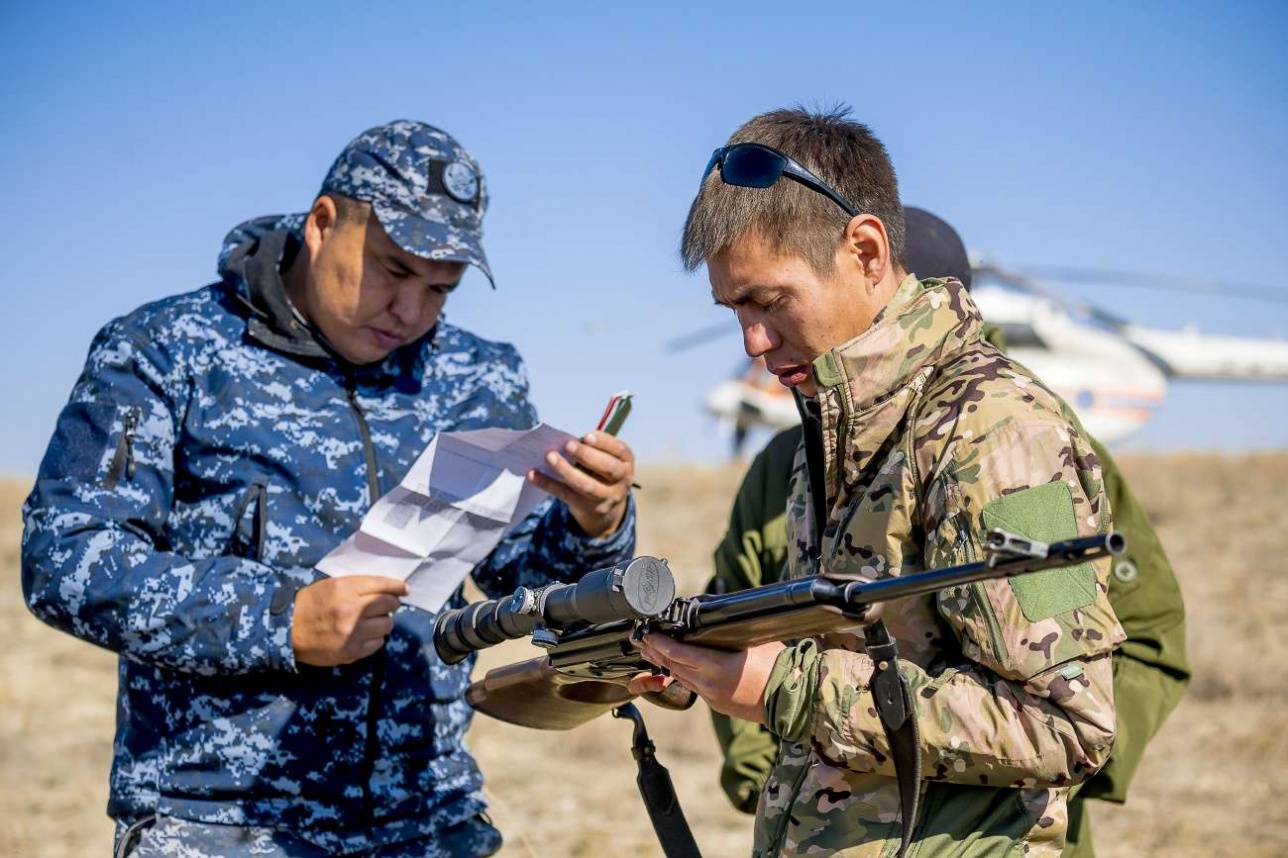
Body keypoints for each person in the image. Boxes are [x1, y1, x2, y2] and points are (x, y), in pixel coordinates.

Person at [22, 120, 637, 858]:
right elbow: (64, 559)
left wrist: (594, 523)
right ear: (322, 224)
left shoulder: (479, 375)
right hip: (219, 824)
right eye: (393, 271)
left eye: (442, 289)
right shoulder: (166, 350)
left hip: (431, 818)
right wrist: (281, 621)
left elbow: (524, 586)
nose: (412, 311)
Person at [630, 107, 1124, 857]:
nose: (753, 343)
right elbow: (855, 650)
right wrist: (705, 661)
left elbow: (1067, 723)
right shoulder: (830, 431)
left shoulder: (1006, 437)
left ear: (865, 251)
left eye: (769, 302)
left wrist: (781, 690)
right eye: (735, 310)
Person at [704, 207, 1190, 856]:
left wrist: (1063, 792)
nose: (758, 343)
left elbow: (1073, 709)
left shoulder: (1013, 442)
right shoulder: (803, 455)